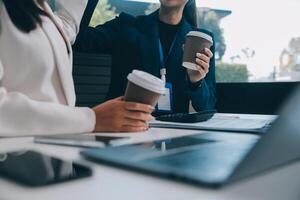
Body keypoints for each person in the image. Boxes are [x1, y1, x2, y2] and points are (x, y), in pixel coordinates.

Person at [0, 0, 154, 137]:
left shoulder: (41, 12)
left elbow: (67, 26)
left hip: (50, 156)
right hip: (13, 160)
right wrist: (91, 119)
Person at [74, 0, 216, 115]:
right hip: (124, 126)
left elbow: (207, 107)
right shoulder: (126, 26)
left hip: (174, 133)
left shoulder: (199, 40)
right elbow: (77, 38)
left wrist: (196, 81)